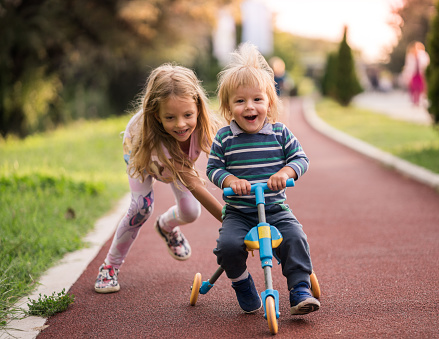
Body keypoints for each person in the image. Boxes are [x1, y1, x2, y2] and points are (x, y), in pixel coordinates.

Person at [206, 43, 320, 315]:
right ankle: (242, 283)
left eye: (257, 99)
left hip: (275, 209)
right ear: (228, 106)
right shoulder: (225, 138)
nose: (250, 107)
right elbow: (212, 168)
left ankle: (299, 289)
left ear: (269, 102)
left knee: (295, 237)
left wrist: (285, 173)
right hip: (239, 212)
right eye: (240, 101)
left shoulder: (280, 134)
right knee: (228, 247)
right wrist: (230, 180)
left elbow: (300, 159)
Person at [94, 64, 223, 293]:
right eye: (170, 117)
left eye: (187, 115)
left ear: (198, 108)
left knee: (191, 212)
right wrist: (230, 220)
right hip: (144, 155)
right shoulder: (151, 135)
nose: (181, 124)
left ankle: (166, 227)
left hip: (178, 165)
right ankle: (110, 267)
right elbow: (193, 184)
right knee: (140, 208)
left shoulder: (205, 128)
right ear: (157, 115)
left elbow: (226, 161)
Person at [401, 41, 430, 106]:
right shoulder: (410, 56)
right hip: (413, 74)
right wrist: (406, 75)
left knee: (421, 87)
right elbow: (408, 66)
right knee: (413, 87)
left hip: (421, 73)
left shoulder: (423, 55)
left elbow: (426, 63)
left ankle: (422, 100)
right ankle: (414, 101)